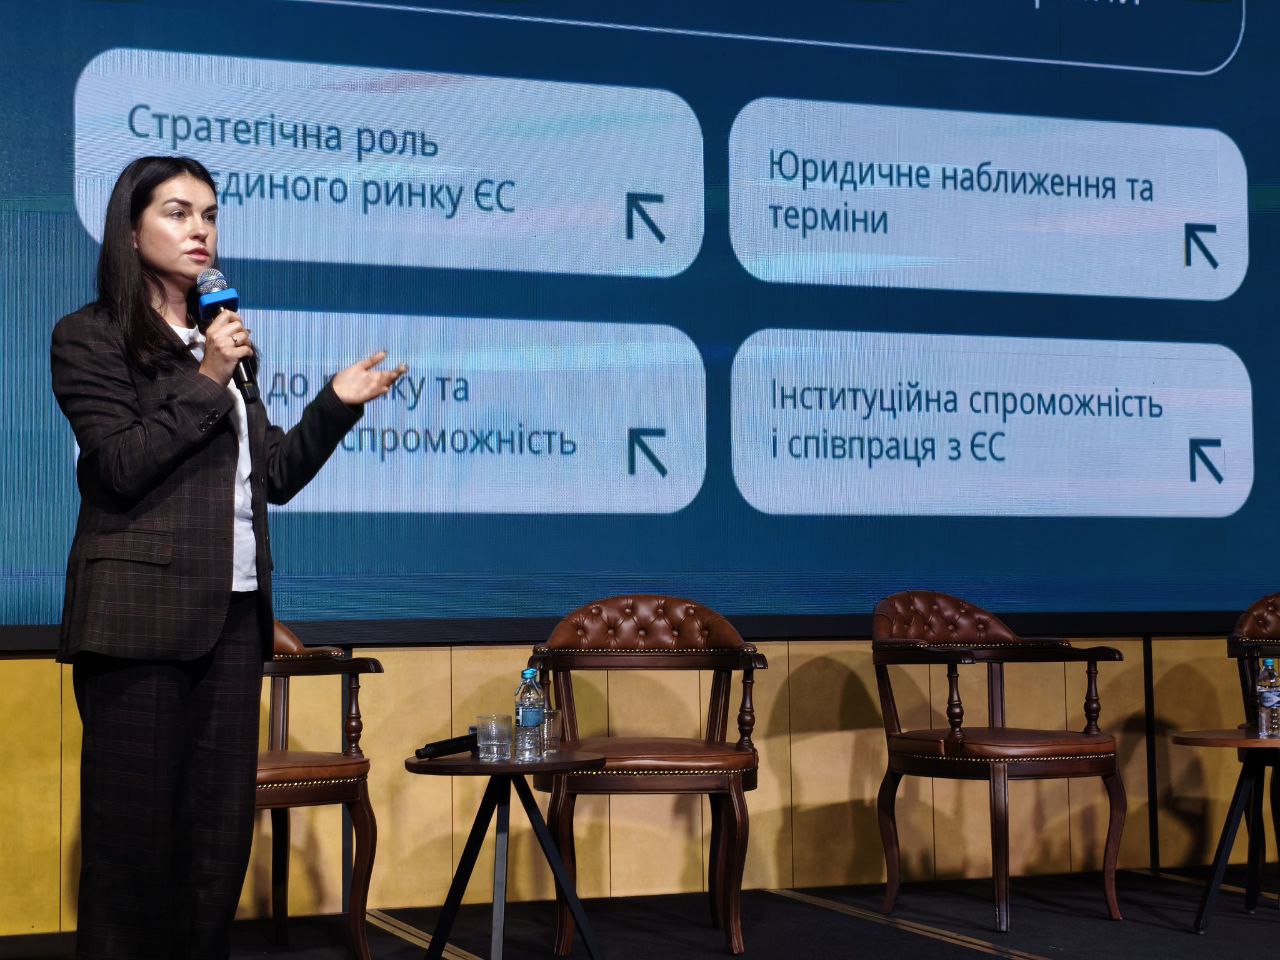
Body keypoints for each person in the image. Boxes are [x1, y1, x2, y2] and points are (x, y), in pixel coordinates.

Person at [50, 155, 405, 959]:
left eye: (209, 214)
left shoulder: (229, 344)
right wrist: (209, 374)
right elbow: (119, 466)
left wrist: (333, 407)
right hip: (138, 624)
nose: (200, 230)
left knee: (215, 851)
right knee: (131, 853)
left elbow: (271, 476)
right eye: (177, 212)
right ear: (130, 229)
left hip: (234, 618)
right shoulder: (90, 336)